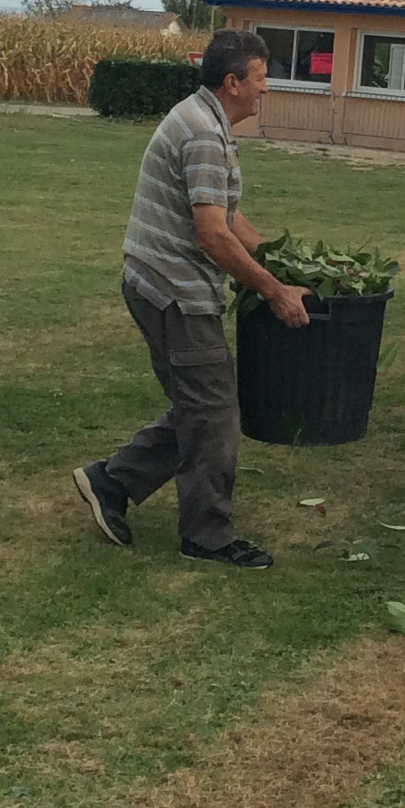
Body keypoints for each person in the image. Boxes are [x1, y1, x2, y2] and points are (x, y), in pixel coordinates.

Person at [71, 28, 311, 568]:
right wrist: (272, 292)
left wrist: (284, 263)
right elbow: (212, 235)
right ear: (232, 82)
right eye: (260, 79)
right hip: (173, 291)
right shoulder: (204, 134)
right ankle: (207, 536)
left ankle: (109, 481)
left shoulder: (206, 120)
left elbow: (229, 217)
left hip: (160, 282)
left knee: (200, 407)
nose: (264, 90)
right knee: (213, 414)